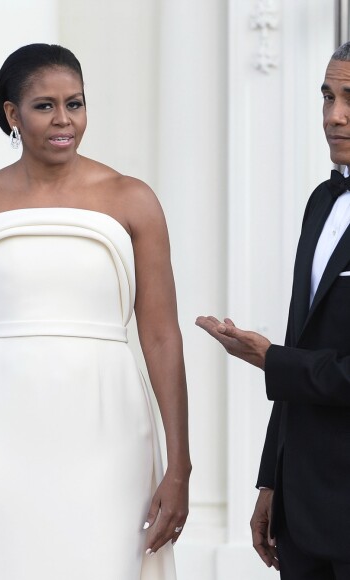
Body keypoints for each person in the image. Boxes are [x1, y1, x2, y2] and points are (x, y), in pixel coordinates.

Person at [0, 43, 190, 580]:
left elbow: (162, 338)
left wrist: (179, 463)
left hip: (110, 432)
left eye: (76, 103)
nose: (65, 120)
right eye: (45, 106)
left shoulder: (132, 199)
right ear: (12, 115)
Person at [196, 42, 350, 579]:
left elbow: (296, 359)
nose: (334, 116)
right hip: (302, 509)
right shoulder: (320, 202)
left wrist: (272, 360)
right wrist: (271, 482)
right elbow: (301, 338)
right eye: (327, 97)